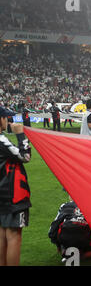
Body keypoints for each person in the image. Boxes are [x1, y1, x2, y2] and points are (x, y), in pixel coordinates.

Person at [0, 106, 32, 266]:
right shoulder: (1, 139)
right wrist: (20, 134)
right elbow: (25, 156)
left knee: (1, 234)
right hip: (11, 195)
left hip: (2, 195)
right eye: (5, 117)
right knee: (14, 236)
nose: (8, 120)